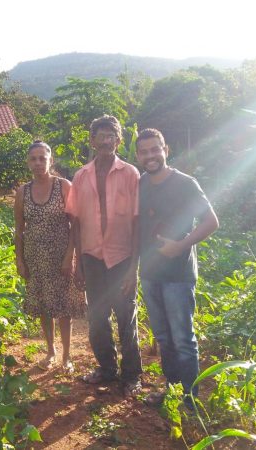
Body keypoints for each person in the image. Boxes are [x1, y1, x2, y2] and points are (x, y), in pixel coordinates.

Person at [135, 128, 219, 410]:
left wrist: (181, 245)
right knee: (162, 337)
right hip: (149, 273)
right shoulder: (140, 184)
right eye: (144, 151)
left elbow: (211, 222)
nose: (150, 156)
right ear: (138, 156)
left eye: (155, 149)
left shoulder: (185, 183)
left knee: (183, 338)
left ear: (165, 150)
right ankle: (171, 391)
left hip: (178, 276)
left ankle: (191, 399)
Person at [66, 115, 143, 397]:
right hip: (92, 257)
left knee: (126, 316)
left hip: (122, 257)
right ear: (92, 140)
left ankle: (132, 374)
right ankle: (107, 369)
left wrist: (134, 268)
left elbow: (137, 224)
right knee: (97, 317)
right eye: (101, 135)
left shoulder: (130, 174)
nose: (106, 140)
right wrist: (77, 262)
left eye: (112, 135)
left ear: (119, 141)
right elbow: (75, 222)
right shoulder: (81, 176)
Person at [14, 141, 86, 373]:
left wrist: (69, 257)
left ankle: (66, 356)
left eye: (42, 158)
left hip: (61, 258)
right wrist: (20, 260)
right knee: (45, 307)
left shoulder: (64, 186)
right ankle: (50, 351)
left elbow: (75, 225)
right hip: (35, 258)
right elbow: (19, 230)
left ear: (50, 160)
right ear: (28, 162)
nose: (37, 163)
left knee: (64, 308)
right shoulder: (22, 192)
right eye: (33, 158)